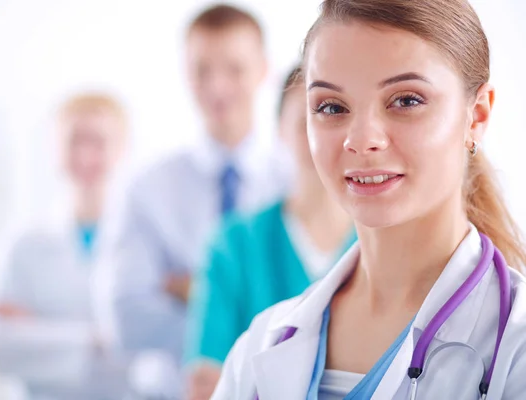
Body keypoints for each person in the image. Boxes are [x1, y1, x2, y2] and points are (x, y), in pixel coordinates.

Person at [212, 0, 526, 399]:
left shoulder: (514, 346)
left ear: (476, 116)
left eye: (406, 100)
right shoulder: (263, 344)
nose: (360, 140)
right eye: (331, 107)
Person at [93, 4, 290, 399]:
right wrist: (254, 310)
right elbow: (125, 317)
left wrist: (195, 290)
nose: (217, 87)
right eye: (202, 70)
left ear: (263, 70)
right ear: (185, 73)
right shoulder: (146, 188)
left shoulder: (298, 182)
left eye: (234, 69)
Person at [184, 65, 356, 400]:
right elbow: (205, 382)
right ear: (279, 130)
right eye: (308, 116)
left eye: (336, 112)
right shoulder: (234, 244)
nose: (319, 133)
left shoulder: (384, 240)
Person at [0, 93, 131, 400]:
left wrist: (42, 336)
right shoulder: (20, 245)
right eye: (75, 141)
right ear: (54, 149)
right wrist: (96, 342)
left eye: (98, 142)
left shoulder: (142, 242)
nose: (86, 156)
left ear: (121, 150)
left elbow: (157, 353)